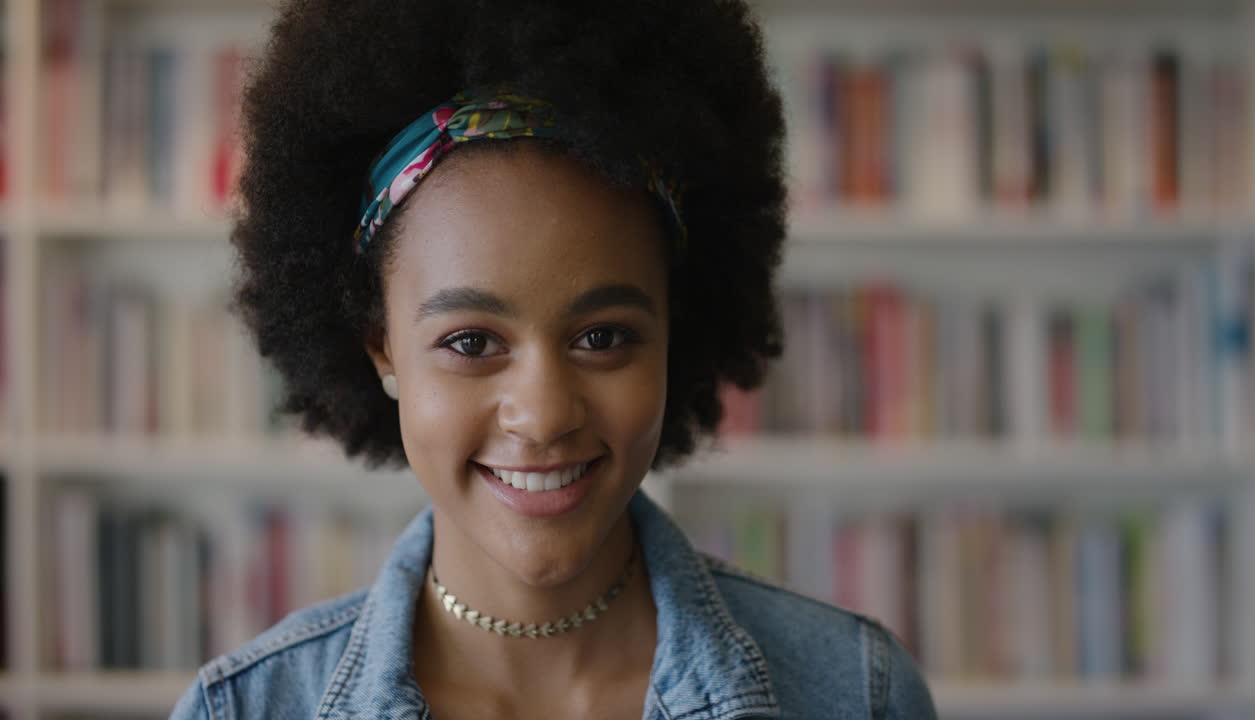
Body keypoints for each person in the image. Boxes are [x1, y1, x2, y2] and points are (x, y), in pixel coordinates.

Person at [170, 0, 937, 717]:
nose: (542, 416)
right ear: (382, 349)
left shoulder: (855, 692)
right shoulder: (246, 707)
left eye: (603, 337)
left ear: (676, 329)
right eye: (471, 343)